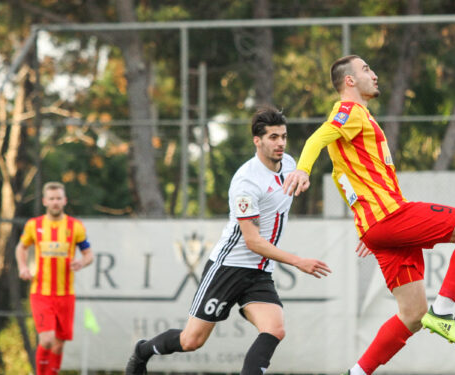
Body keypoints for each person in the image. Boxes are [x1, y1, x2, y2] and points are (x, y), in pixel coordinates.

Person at [282, 55, 455, 375]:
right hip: (388, 217)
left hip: (381, 226)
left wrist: (369, 226)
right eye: (366, 69)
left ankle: (357, 373)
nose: (375, 75)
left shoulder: (361, 119)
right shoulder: (349, 111)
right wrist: (302, 168)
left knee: (412, 314)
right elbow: (318, 137)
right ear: (349, 81)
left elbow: (344, 176)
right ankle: (445, 310)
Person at [125, 107, 332, 375]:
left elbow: (293, 183)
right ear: (257, 141)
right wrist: (298, 261)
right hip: (229, 267)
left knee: (275, 329)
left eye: (283, 136)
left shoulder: (290, 164)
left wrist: (303, 177)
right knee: (191, 341)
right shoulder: (246, 182)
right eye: (272, 137)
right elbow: (253, 242)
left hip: (259, 271)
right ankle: (143, 351)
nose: (280, 142)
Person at [16, 181, 94, 375]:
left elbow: (89, 254)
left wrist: (81, 263)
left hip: (66, 295)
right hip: (41, 293)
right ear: (44, 201)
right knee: (47, 340)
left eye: (59, 198)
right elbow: (21, 247)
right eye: (51, 199)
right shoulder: (34, 225)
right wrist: (23, 267)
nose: (55, 202)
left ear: (65, 200)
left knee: (59, 345)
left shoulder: (75, 226)